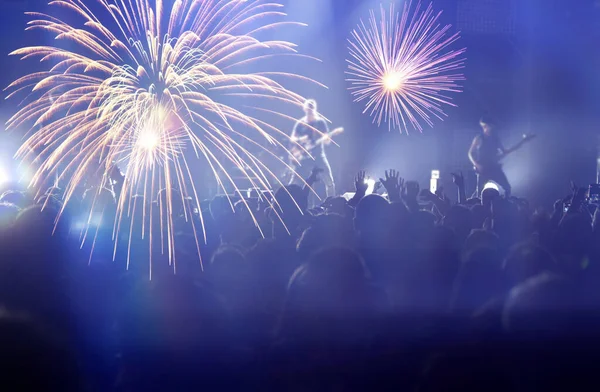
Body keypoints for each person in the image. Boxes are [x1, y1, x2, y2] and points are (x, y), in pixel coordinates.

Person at [288, 99, 335, 198]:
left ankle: (332, 203)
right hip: (304, 157)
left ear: (314, 109)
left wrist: (326, 139)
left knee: (329, 181)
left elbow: (327, 139)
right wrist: (301, 139)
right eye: (308, 108)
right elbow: (292, 138)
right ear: (305, 109)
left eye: (311, 108)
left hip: (318, 156)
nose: (310, 110)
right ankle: (288, 201)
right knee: (294, 182)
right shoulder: (300, 123)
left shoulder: (320, 123)